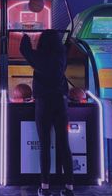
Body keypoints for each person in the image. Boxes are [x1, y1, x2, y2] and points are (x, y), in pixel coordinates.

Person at [20, 29, 74, 196]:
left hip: (44, 103)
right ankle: (69, 188)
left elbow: (25, 50)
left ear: (43, 42)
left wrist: (25, 35)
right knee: (64, 146)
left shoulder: (40, 58)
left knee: (45, 145)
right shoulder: (62, 55)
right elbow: (67, 44)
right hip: (60, 102)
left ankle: (44, 188)